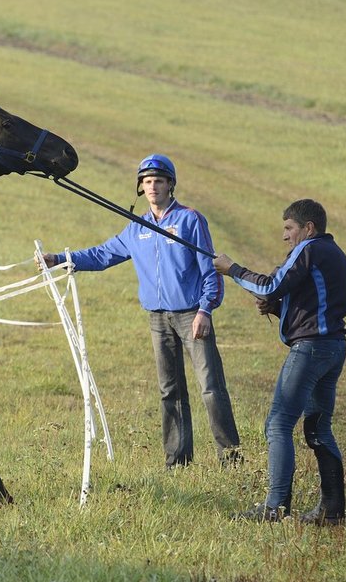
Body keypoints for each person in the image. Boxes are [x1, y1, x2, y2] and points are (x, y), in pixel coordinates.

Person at [39, 154, 241, 469]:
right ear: (140, 187)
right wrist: (59, 259)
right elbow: (103, 254)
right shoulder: (137, 227)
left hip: (192, 315)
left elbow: (210, 269)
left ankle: (230, 458)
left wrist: (206, 309)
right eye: (146, 182)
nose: (152, 187)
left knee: (211, 387)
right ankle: (177, 461)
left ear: (170, 184)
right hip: (158, 318)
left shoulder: (190, 220)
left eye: (158, 181)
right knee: (169, 390)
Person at [213, 198, 346, 525]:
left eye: (289, 228)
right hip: (333, 347)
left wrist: (232, 270)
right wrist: (276, 309)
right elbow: (313, 302)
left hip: (311, 350)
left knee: (277, 424)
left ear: (309, 228)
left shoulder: (310, 250)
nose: (285, 236)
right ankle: (332, 511)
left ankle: (275, 507)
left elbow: (272, 284)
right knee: (318, 428)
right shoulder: (335, 254)